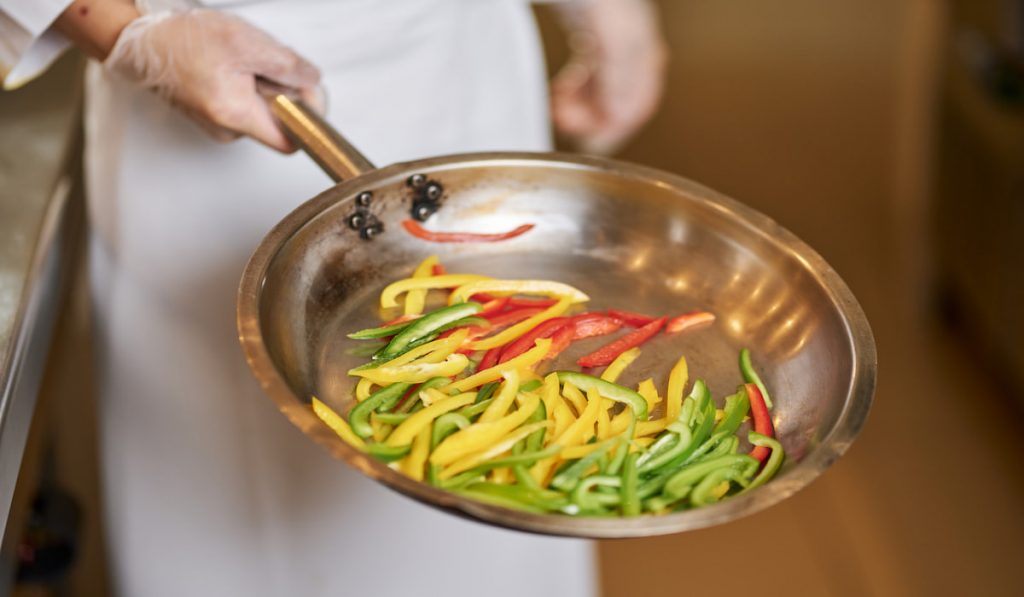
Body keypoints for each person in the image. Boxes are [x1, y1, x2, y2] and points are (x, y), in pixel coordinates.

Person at [0, 1, 667, 595]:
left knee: (504, 501)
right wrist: (127, 32)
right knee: (232, 520)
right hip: (202, 82)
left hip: (458, 56)